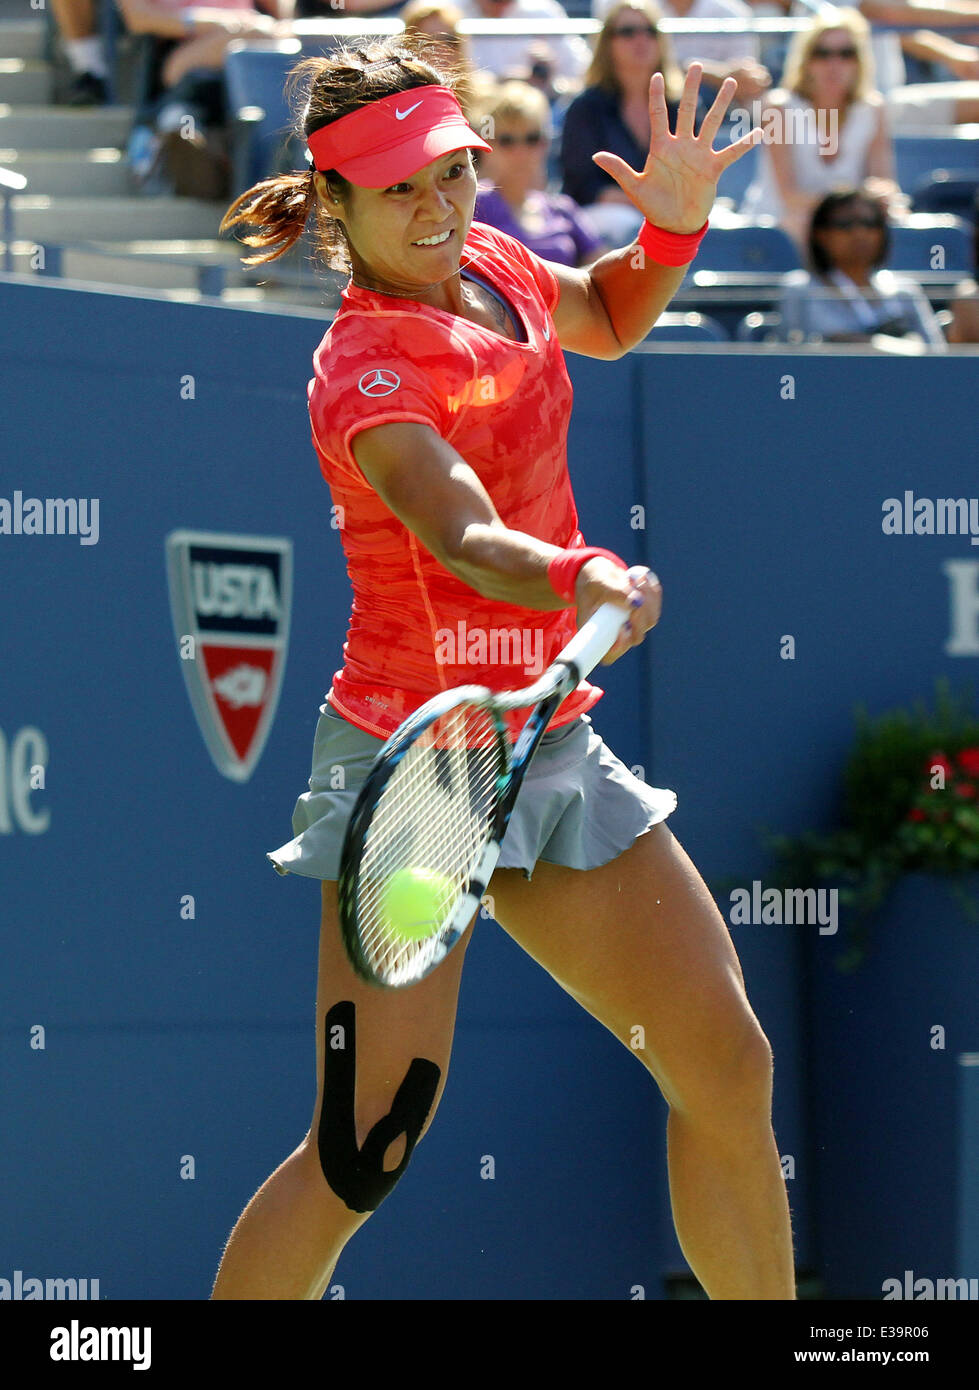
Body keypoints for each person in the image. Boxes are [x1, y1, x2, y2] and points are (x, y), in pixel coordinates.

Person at [213, 34, 794, 1301]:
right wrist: (574, 571)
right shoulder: (362, 367)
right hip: (413, 769)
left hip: (544, 732)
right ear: (337, 205)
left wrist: (674, 235)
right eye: (400, 188)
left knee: (725, 1061)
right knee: (365, 1149)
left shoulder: (489, 260)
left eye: (452, 173)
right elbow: (463, 531)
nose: (437, 206)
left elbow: (612, 315)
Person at [740, 7, 905, 246]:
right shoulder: (778, 108)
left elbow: (884, 180)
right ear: (806, 60)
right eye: (822, 53)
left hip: (847, 231)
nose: (834, 63)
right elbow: (790, 197)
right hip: (780, 228)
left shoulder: (873, 109)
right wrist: (859, 201)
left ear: (860, 61)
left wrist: (881, 193)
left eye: (846, 53)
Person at [560, 1, 684, 246]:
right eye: (628, 32)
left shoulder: (681, 105)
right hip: (608, 215)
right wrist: (646, 201)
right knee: (632, 226)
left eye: (650, 31)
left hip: (671, 209)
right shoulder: (586, 107)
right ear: (607, 44)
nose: (641, 39)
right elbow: (583, 186)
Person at [777, 185, 947, 346]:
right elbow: (790, 354)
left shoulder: (906, 292)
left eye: (870, 223)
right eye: (845, 224)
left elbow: (935, 353)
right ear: (821, 234)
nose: (860, 233)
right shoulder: (801, 289)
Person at [473, 80, 604, 265]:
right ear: (486, 144)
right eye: (507, 140)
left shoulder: (563, 209)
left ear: (546, 142)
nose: (521, 152)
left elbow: (605, 273)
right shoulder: (473, 205)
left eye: (532, 139)